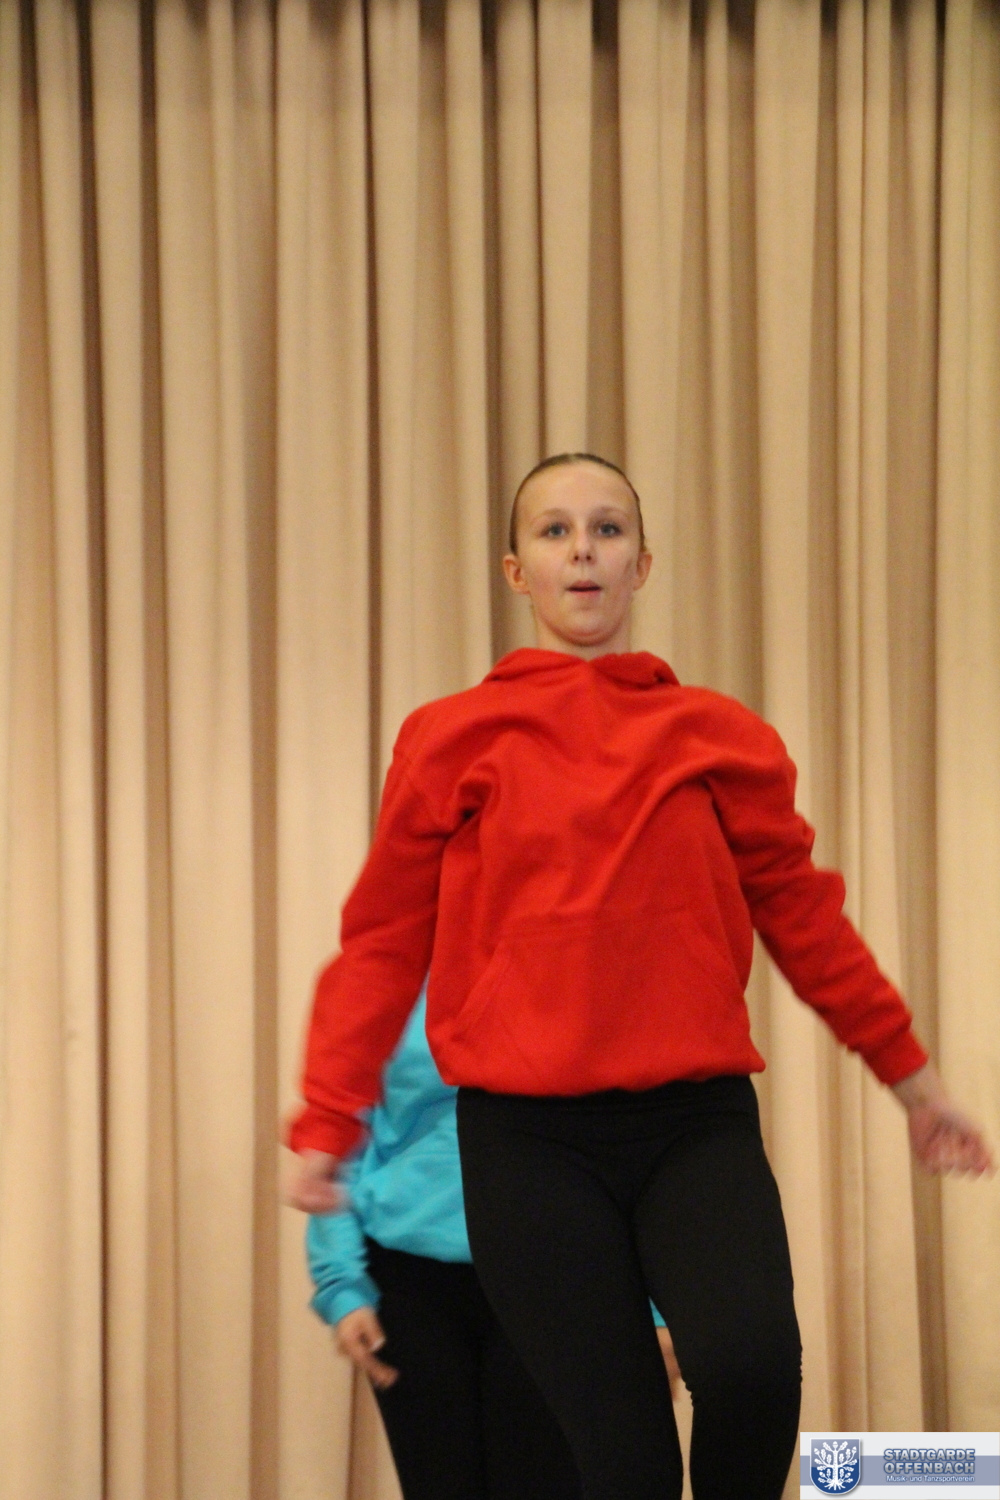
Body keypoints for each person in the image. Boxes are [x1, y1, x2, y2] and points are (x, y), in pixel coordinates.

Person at [287, 454, 993, 1500]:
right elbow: (382, 942)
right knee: (622, 1464)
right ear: (517, 571)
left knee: (751, 1369)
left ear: (642, 564)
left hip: (692, 1126)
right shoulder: (449, 738)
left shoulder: (720, 737)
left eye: (607, 530)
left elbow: (807, 921)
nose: (582, 550)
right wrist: (328, 1123)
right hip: (525, 1143)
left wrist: (916, 1086)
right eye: (555, 531)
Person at [306, 983, 583, 1500]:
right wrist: (342, 1283)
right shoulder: (384, 983)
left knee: (543, 1483)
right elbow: (340, 1136)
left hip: (545, 1274)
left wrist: (654, 1306)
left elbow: (623, 1142)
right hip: (408, 1282)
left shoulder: (565, 975)